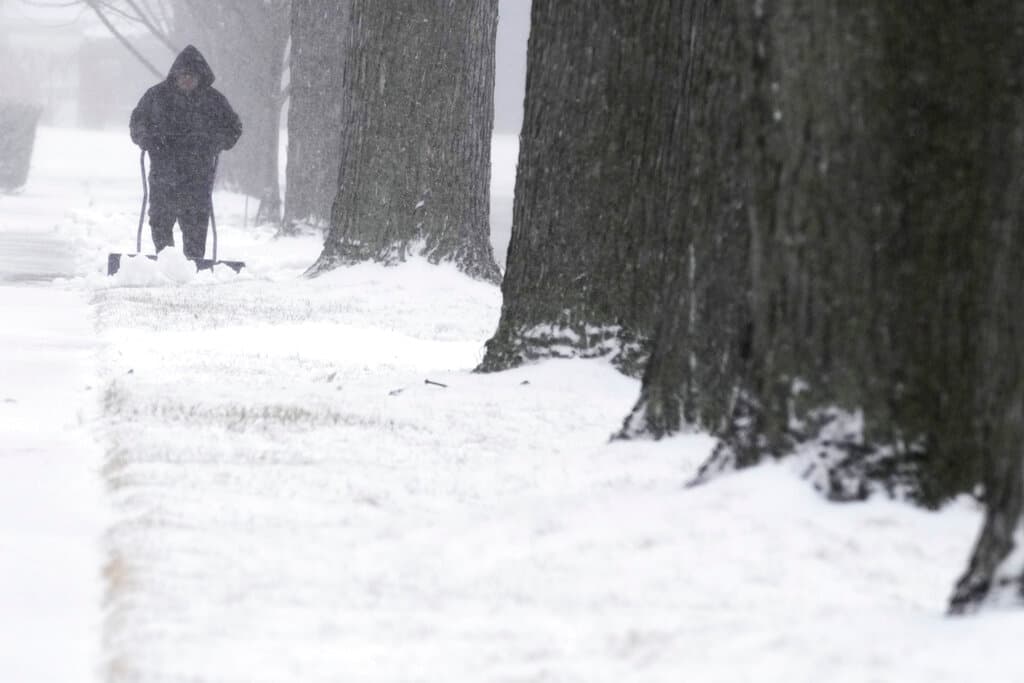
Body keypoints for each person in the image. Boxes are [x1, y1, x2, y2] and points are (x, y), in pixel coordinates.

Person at [129, 45, 242, 259]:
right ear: (176, 75)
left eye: (192, 76)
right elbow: (137, 122)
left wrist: (215, 143)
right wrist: (146, 139)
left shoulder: (213, 101)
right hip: (164, 173)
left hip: (197, 175)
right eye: (183, 75)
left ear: (200, 77)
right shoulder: (156, 96)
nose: (187, 80)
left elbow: (233, 127)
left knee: (196, 223)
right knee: (160, 220)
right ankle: (165, 260)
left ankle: (194, 263)